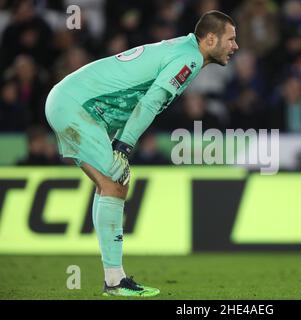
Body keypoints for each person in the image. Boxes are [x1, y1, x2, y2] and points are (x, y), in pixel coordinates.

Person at [44, 10, 238, 297]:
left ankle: (114, 279)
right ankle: (114, 281)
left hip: (74, 103)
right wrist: (124, 145)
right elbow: (150, 102)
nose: (235, 46)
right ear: (211, 39)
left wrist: (122, 141)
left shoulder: (182, 49)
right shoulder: (190, 58)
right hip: (77, 107)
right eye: (231, 39)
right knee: (116, 180)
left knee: (111, 184)